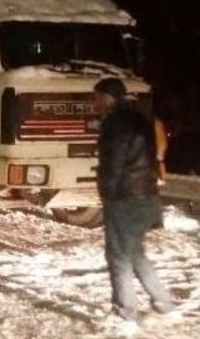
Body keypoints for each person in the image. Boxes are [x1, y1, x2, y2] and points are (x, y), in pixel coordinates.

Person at [94, 78, 174, 326]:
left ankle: (124, 309)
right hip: (147, 197)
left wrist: (106, 193)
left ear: (108, 97)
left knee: (118, 256)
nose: (94, 102)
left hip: (125, 199)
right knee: (136, 254)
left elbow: (114, 163)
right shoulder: (139, 118)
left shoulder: (115, 124)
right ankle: (164, 301)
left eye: (96, 97)